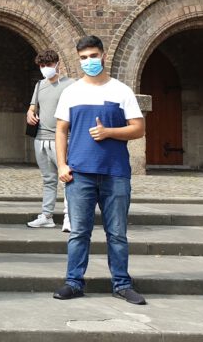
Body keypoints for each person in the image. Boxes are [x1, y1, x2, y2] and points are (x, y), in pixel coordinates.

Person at [53, 35, 146, 305]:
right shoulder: (71, 92)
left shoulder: (121, 90)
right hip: (79, 173)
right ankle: (73, 281)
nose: (89, 62)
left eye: (93, 56)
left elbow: (138, 128)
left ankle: (121, 283)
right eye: (83, 58)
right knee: (79, 232)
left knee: (117, 232)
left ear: (103, 56)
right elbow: (61, 129)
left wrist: (109, 132)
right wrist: (61, 164)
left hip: (115, 172)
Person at [25, 49, 75, 231]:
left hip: (62, 138)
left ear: (57, 64)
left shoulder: (71, 84)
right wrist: (30, 113)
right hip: (41, 138)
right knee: (48, 179)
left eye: (49, 64)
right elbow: (32, 107)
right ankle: (46, 215)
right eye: (42, 65)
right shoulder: (39, 85)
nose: (46, 68)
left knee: (67, 178)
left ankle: (70, 216)